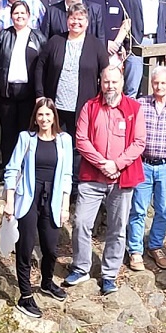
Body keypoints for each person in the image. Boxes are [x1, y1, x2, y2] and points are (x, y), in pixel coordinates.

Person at [65, 66, 145, 295]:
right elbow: (81, 140)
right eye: (106, 82)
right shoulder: (89, 107)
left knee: (118, 228)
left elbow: (139, 142)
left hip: (122, 178)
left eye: (114, 82)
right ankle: (81, 268)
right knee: (81, 222)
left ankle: (109, 275)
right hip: (92, 177)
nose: (110, 86)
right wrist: (103, 164)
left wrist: (117, 164)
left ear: (122, 82)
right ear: (101, 82)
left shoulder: (134, 108)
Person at [3, 97, 73, 319]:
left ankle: (46, 282)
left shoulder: (64, 141)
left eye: (48, 115)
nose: (44, 119)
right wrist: (10, 201)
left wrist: (64, 206)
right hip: (28, 199)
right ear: (35, 117)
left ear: (54, 117)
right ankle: (25, 295)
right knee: (25, 247)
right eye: (40, 114)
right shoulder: (26, 138)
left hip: (52, 198)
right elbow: (12, 170)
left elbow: (67, 176)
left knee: (51, 248)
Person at [127, 67, 166, 273]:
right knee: (138, 210)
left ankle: (155, 246)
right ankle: (135, 250)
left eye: (163, 83)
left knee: (163, 210)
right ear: (151, 83)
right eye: (156, 83)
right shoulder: (140, 104)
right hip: (143, 165)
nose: (159, 87)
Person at [33, 2, 110, 140]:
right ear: (67, 20)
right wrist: (40, 94)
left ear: (87, 22)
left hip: (83, 106)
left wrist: (101, 99)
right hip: (55, 106)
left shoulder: (96, 45)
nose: (76, 22)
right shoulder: (55, 41)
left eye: (80, 19)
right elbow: (40, 67)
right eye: (72, 18)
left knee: (78, 145)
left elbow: (106, 73)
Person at [0, 0, 45, 165]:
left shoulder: (38, 37)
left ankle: (24, 166)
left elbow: (44, 65)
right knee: (8, 132)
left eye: (22, 13)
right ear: (11, 16)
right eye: (16, 13)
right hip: (7, 92)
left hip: (29, 93)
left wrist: (41, 93)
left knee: (26, 132)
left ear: (28, 16)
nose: (19, 16)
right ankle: (8, 167)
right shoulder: (3, 35)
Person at [88, 0, 144, 96]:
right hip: (94, 50)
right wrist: (104, 44)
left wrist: (120, 44)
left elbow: (127, 21)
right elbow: (87, 25)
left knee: (113, 87)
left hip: (116, 52)